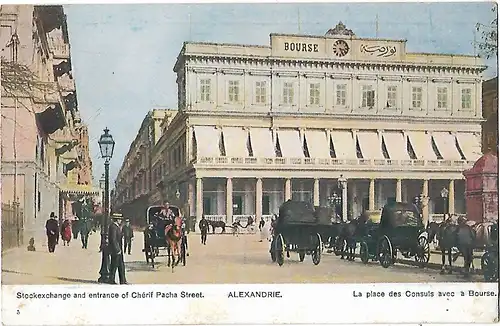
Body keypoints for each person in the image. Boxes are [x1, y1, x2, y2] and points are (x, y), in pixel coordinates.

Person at [108, 214, 127, 284]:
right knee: (114, 265)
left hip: (119, 249)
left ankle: (123, 280)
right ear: (117, 219)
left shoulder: (116, 226)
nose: (121, 221)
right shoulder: (113, 227)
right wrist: (117, 249)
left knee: (121, 265)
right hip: (116, 250)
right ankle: (111, 280)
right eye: (120, 219)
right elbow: (113, 239)